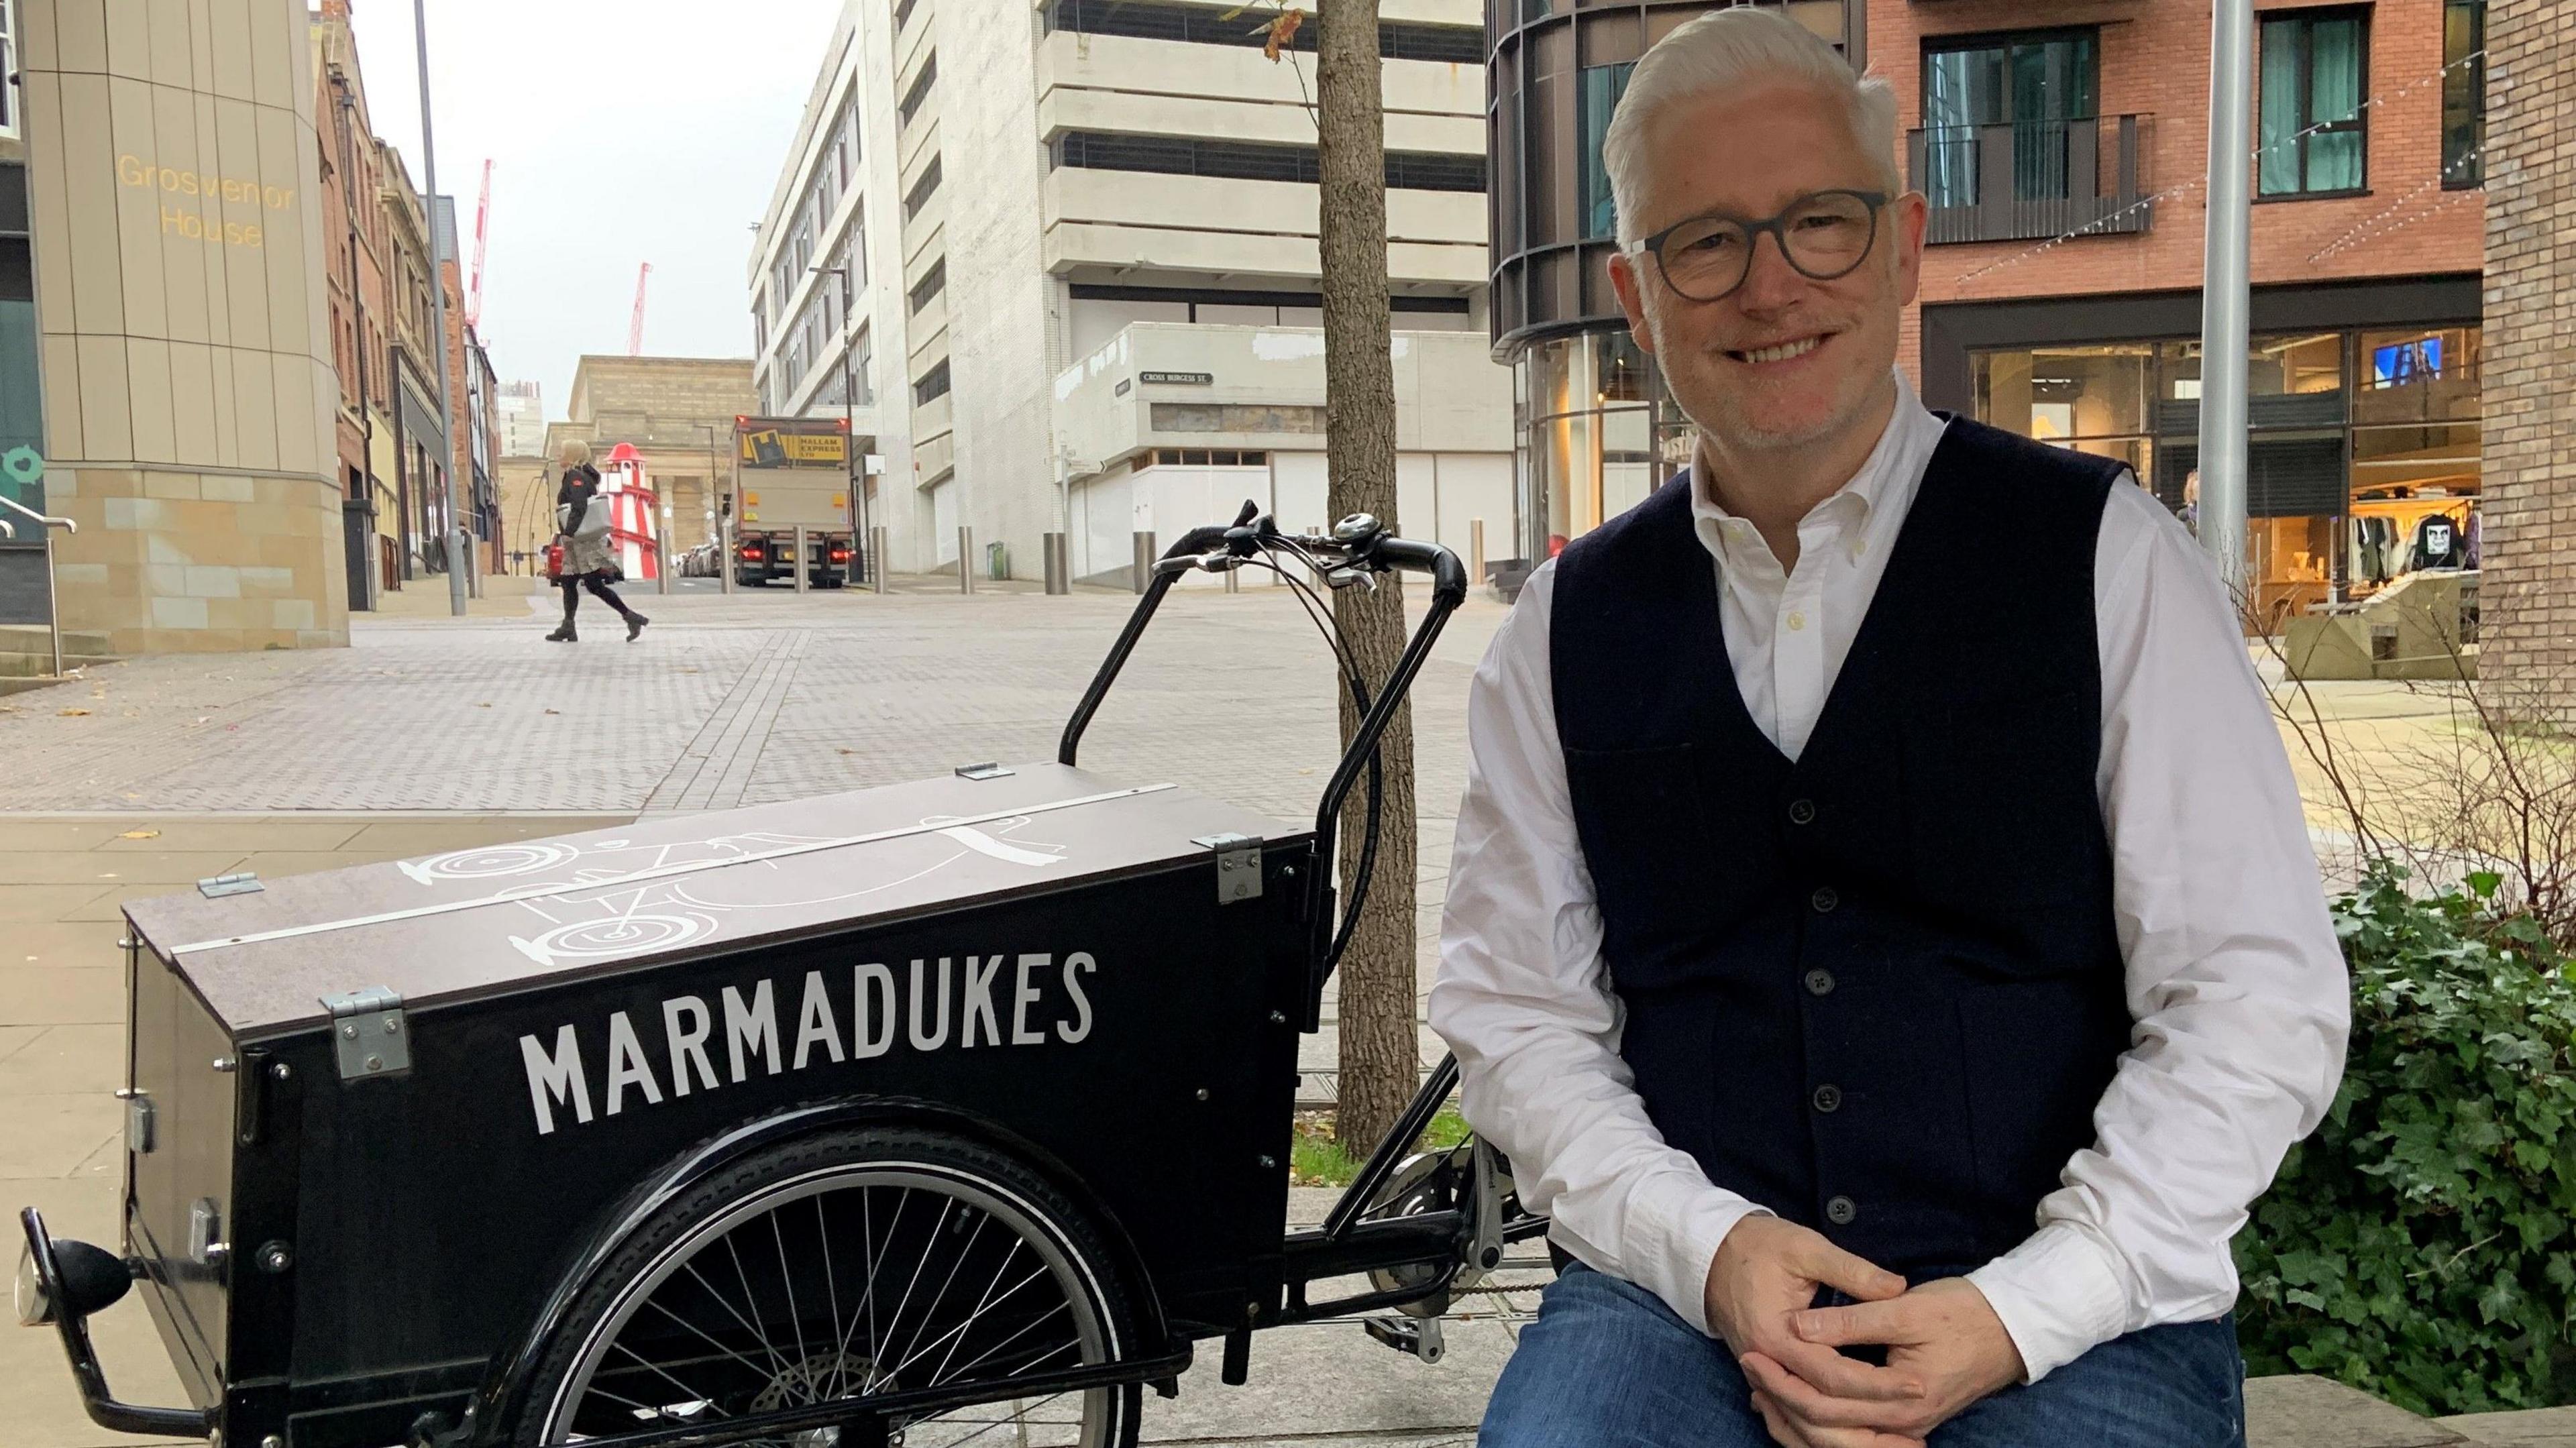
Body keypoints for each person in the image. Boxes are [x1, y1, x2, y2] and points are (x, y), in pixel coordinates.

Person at [1428, 11, 2349, 1447]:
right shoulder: (1559, 628)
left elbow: (2253, 994)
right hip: (1682, 1298)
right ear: (1633, 288)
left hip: (2064, 1299)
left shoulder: (2111, 561)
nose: (1770, 283)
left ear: (1907, 243)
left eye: (1822, 223)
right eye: (1706, 241)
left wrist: (2026, 1303)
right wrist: (1710, 1247)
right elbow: (1518, 1016)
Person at [547, 439, 648, 643]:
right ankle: (569, 626)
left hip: (582, 540)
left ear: (573, 455)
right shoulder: (578, 476)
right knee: (571, 582)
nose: (559, 456)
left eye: (563, 452)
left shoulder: (577, 477)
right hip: (580, 540)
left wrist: (569, 531)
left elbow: (579, 506)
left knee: (591, 585)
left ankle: (630, 617)